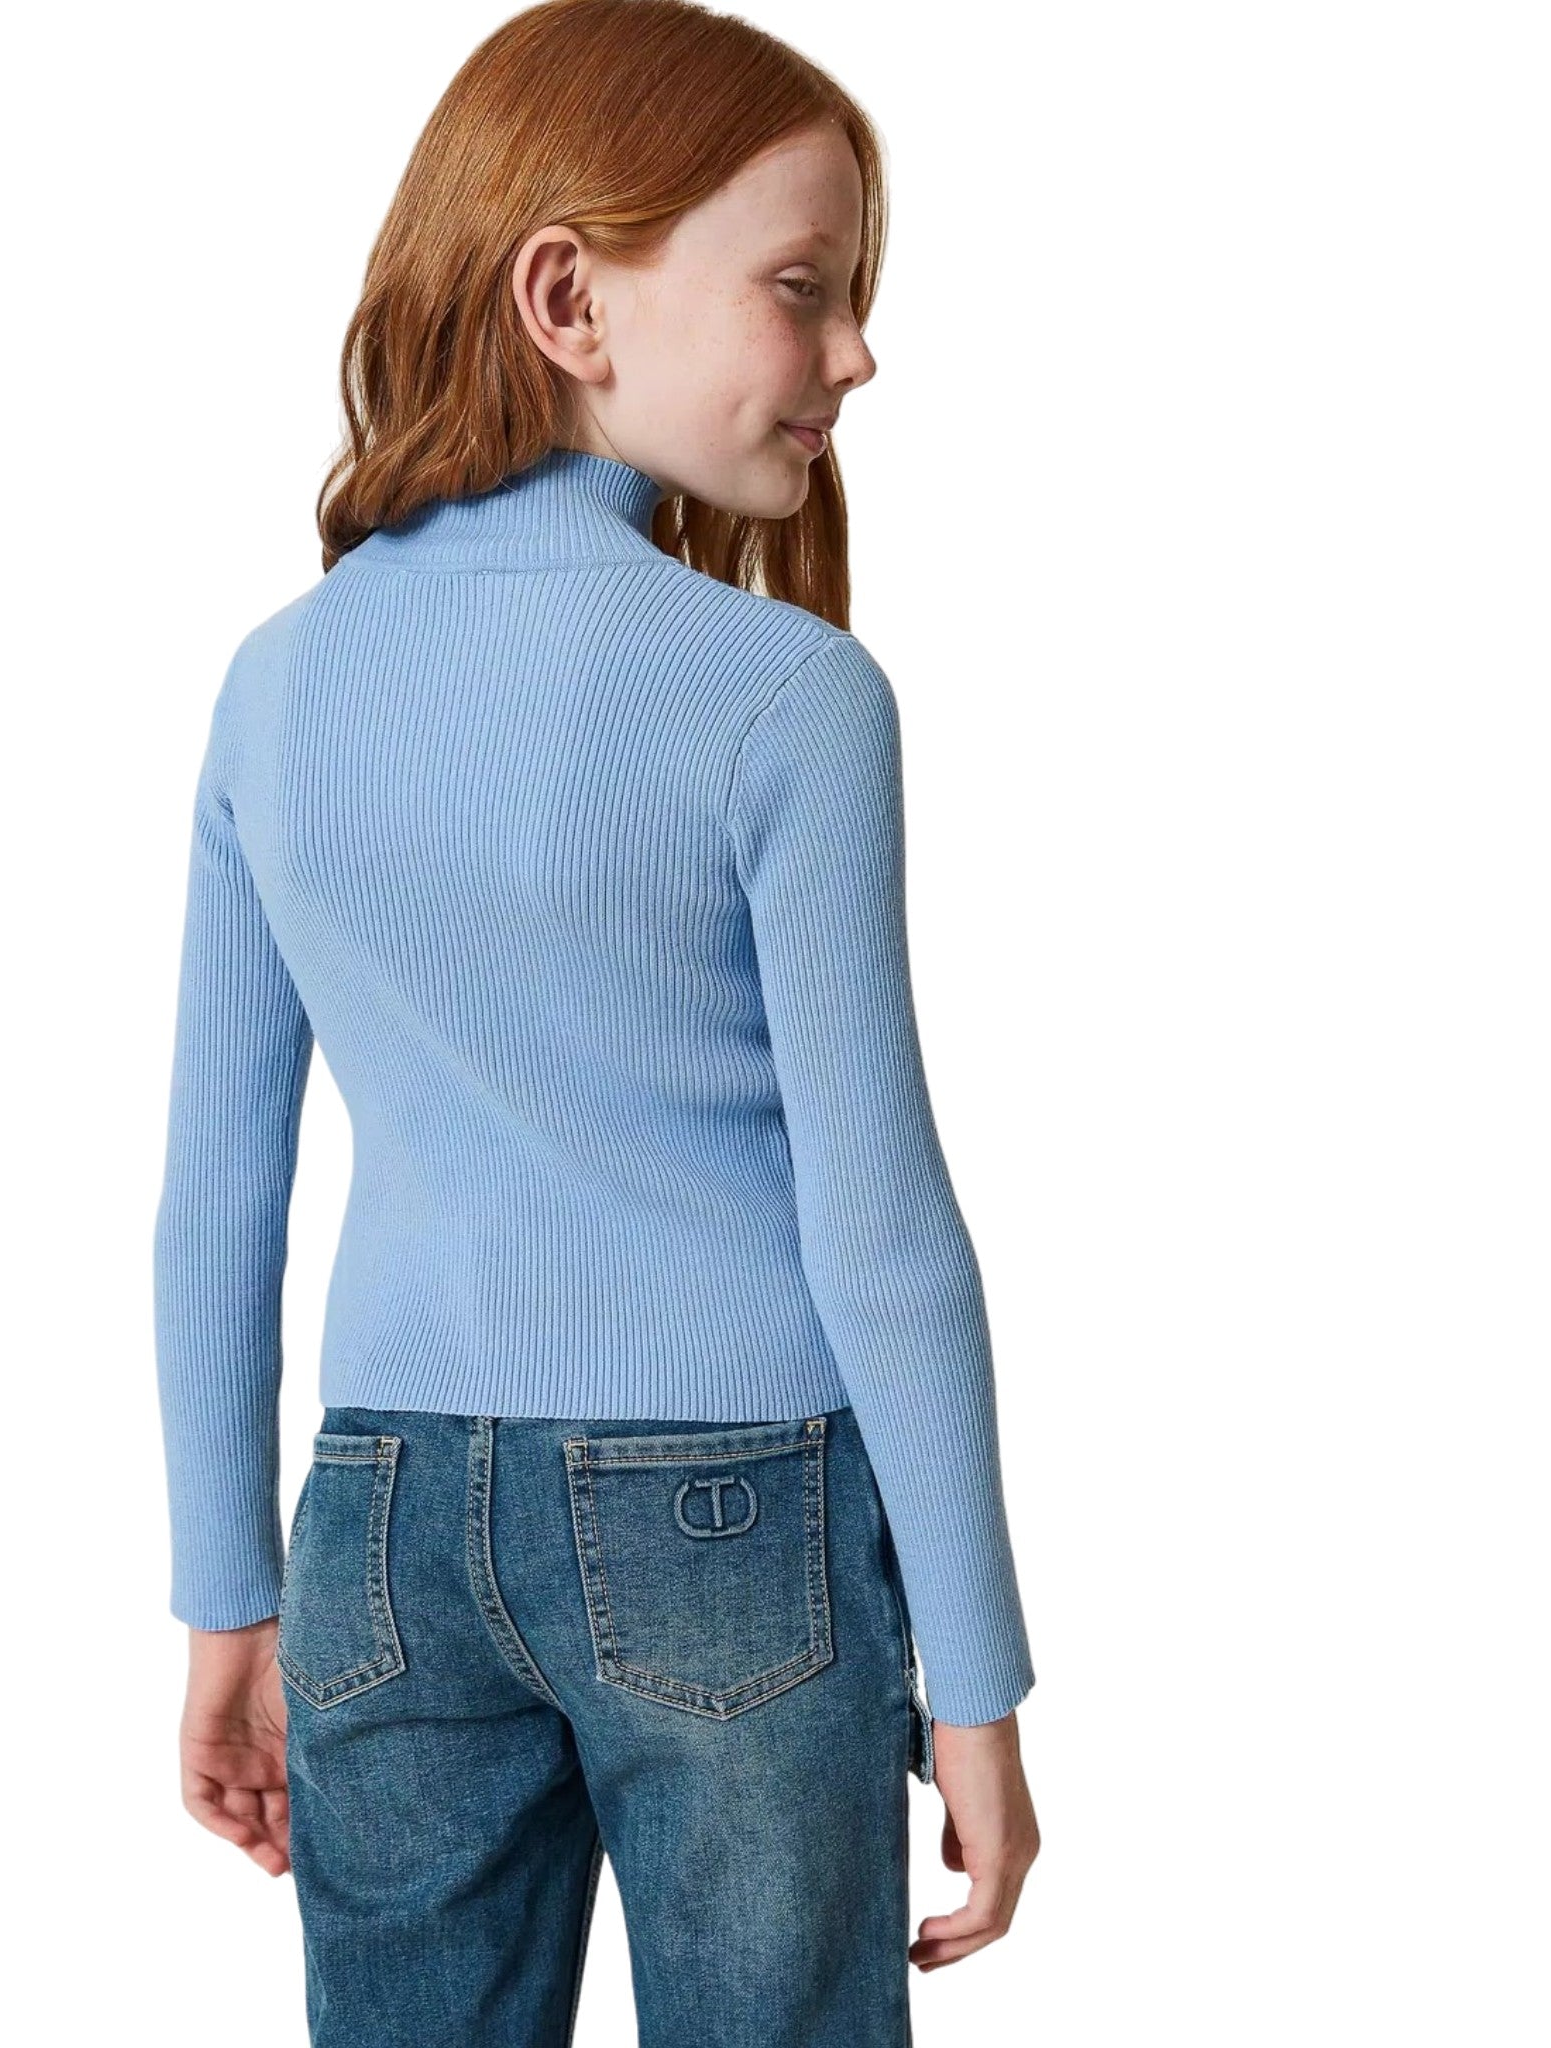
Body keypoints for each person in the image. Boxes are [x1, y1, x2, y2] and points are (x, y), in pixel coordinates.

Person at [151, 2, 1041, 2039]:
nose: (857, 353)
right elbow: (882, 1232)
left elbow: (216, 1197)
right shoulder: (788, 695)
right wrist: (976, 1683)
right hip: (734, 1518)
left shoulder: (277, 682)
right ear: (569, 299)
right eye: (804, 289)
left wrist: (228, 1598)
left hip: (376, 1521)